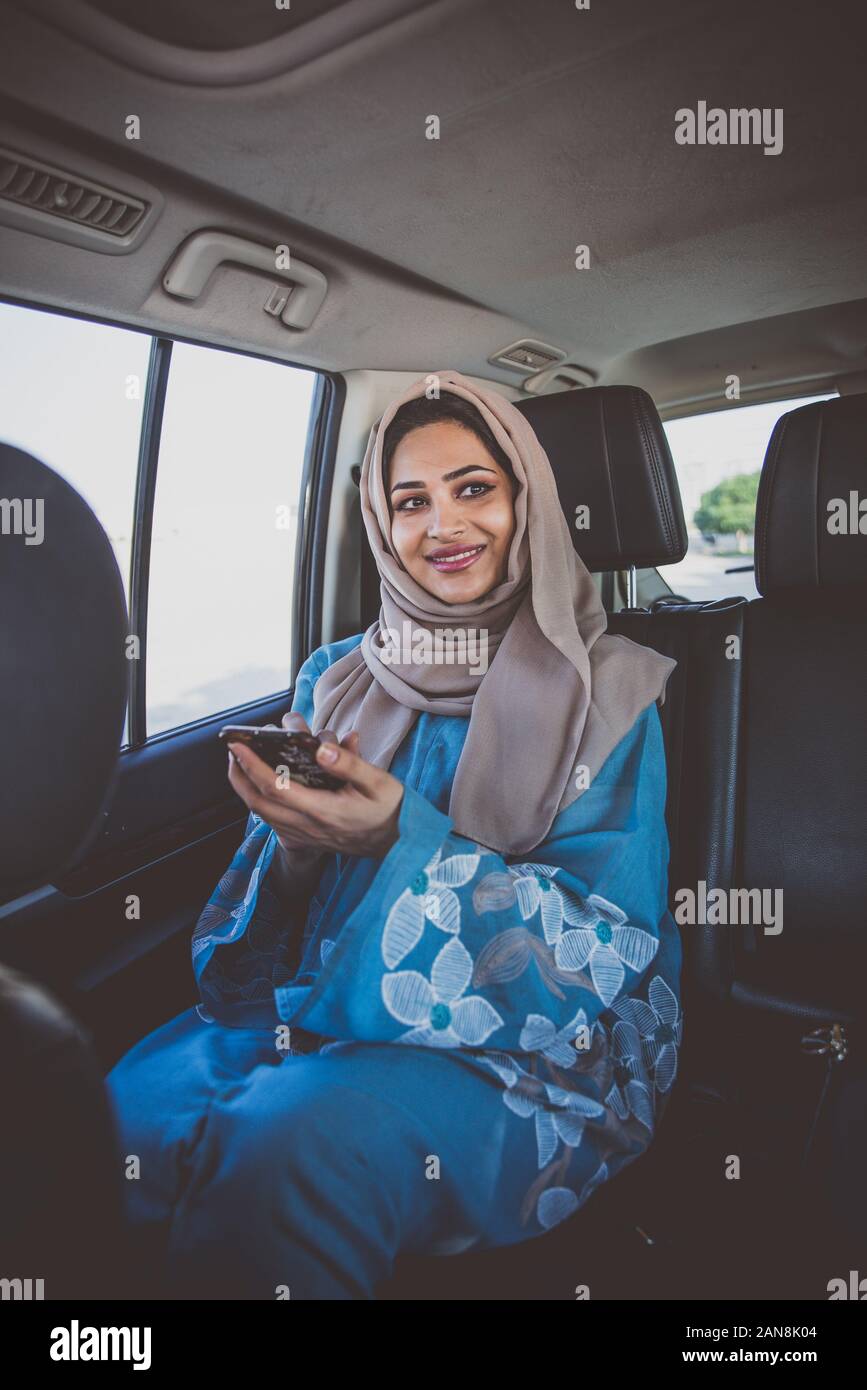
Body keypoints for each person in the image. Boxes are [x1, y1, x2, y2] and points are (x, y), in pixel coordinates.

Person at [105, 368, 683, 1300]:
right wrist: (296, 842)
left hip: (538, 1052)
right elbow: (262, 927)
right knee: (133, 1112)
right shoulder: (336, 676)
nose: (442, 526)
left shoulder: (610, 691)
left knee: (292, 1144)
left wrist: (397, 838)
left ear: (524, 501)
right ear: (380, 524)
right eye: (409, 500)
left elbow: (599, 951)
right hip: (320, 995)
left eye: (473, 490)